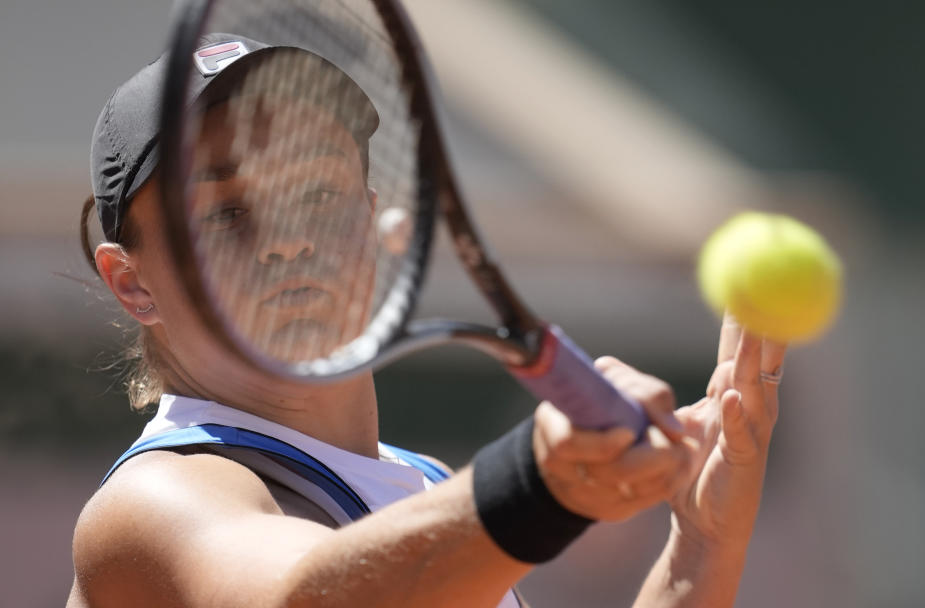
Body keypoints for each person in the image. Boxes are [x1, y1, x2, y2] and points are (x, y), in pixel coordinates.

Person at [68, 33, 787, 608]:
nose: (286, 239)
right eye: (225, 213)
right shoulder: (150, 507)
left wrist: (702, 544)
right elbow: (297, 598)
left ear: (373, 217)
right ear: (133, 284)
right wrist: (537, 484)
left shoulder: (420, 485)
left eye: (317, 193)